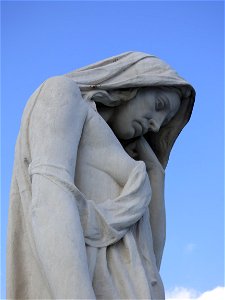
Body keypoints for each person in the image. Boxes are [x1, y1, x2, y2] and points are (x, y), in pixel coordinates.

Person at [7, 52, 195, 299]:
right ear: (133, 84)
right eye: (159, 106)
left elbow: (149, 262)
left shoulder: (130, 162)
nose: (156, 125)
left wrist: (155, 176)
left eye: (164, 121)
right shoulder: (61, 94)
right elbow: (49, 202)